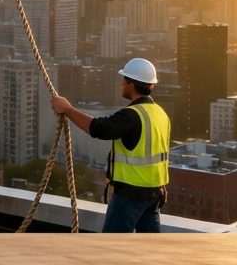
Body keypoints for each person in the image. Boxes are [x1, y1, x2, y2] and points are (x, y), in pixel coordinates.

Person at [50, 57, 171, 233]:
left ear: (131, 84)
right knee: (150, 246)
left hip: (131, 194)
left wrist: (67, 109)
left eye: (124, 80)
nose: (122, 84)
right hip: (154, 192)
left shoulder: (131, 115)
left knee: (111, 244)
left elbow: (98, 128)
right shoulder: (161, 114)